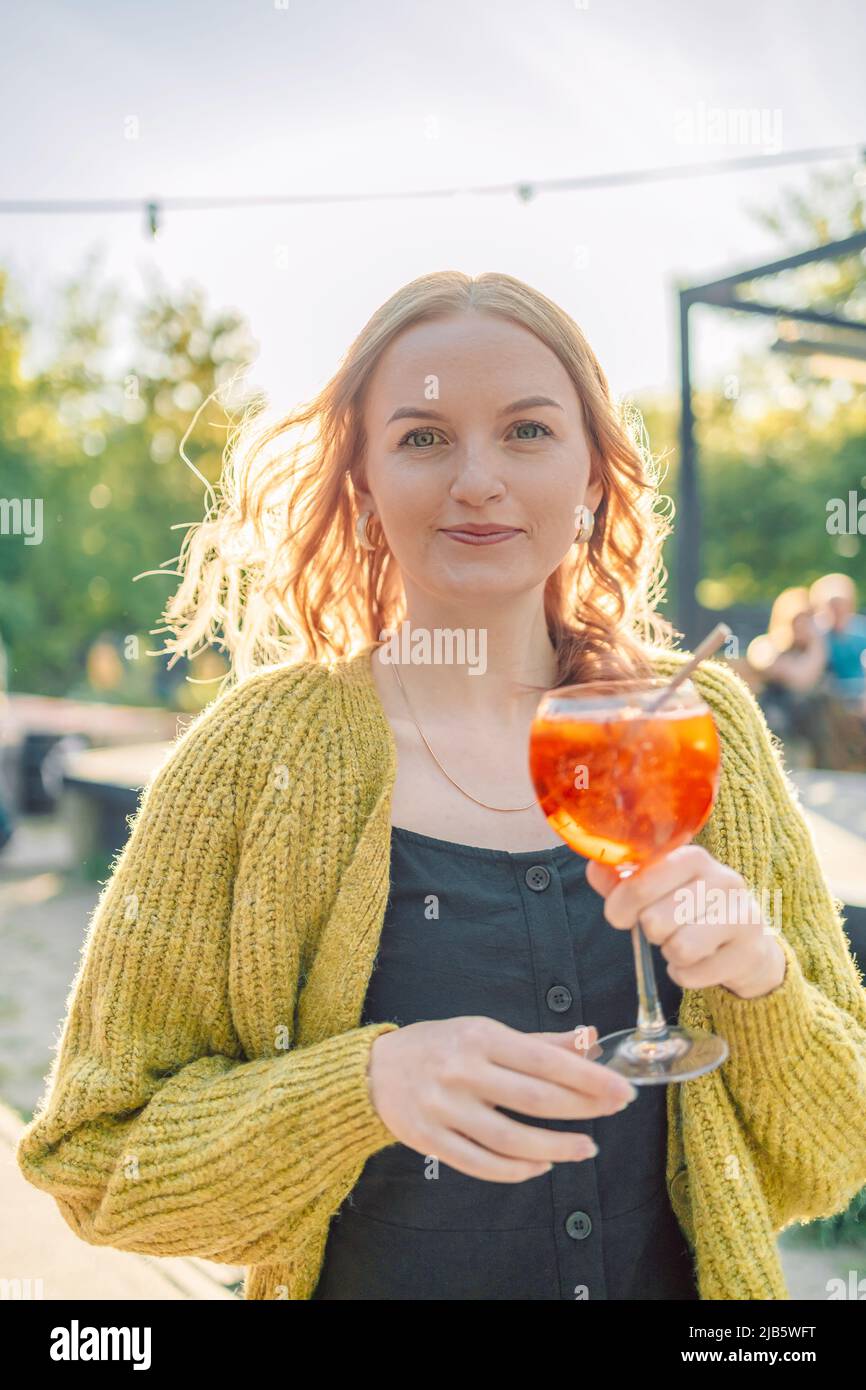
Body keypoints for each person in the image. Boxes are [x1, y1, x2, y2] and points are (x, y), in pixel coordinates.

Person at [16, 271, 866, 1302]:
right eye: (422, 436)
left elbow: (833, 1155)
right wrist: (362, 1087)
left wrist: (761, 980)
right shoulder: (248, 757)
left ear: (592, 474)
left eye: (526, 431)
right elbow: (99, 1165)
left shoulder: (696, 727)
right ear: (363, 478)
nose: (476, 479)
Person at [809, 573, 866, 710]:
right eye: (832, 605)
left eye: (841, 604)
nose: (837, 610)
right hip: (829, 697)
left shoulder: (861, 630)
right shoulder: (815, 632)